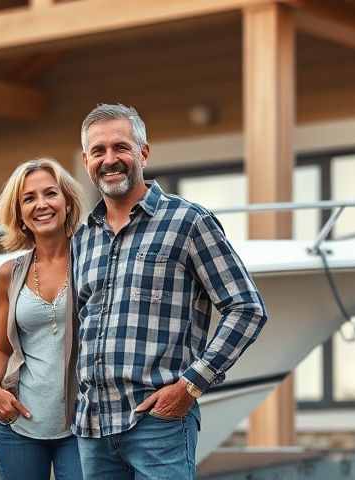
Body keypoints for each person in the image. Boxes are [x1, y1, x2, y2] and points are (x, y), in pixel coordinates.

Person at [72, 103, 268, 479]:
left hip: (158, 424)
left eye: (121, 147)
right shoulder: (83, 239)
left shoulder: (188, 222)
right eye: (98, 151)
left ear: (143, 152)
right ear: (86, 161)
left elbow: (247, 308)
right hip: (93, 428)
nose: (110, 159)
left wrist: (191, 385)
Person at [0, 159, 85, 480]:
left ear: (67, 203)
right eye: (29, 198)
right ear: (20, 214)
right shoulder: (8, 274)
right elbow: (2, 349)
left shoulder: (92, 260)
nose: (41, 204)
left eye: (50, 194)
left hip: (81, 425)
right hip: (18, 427)